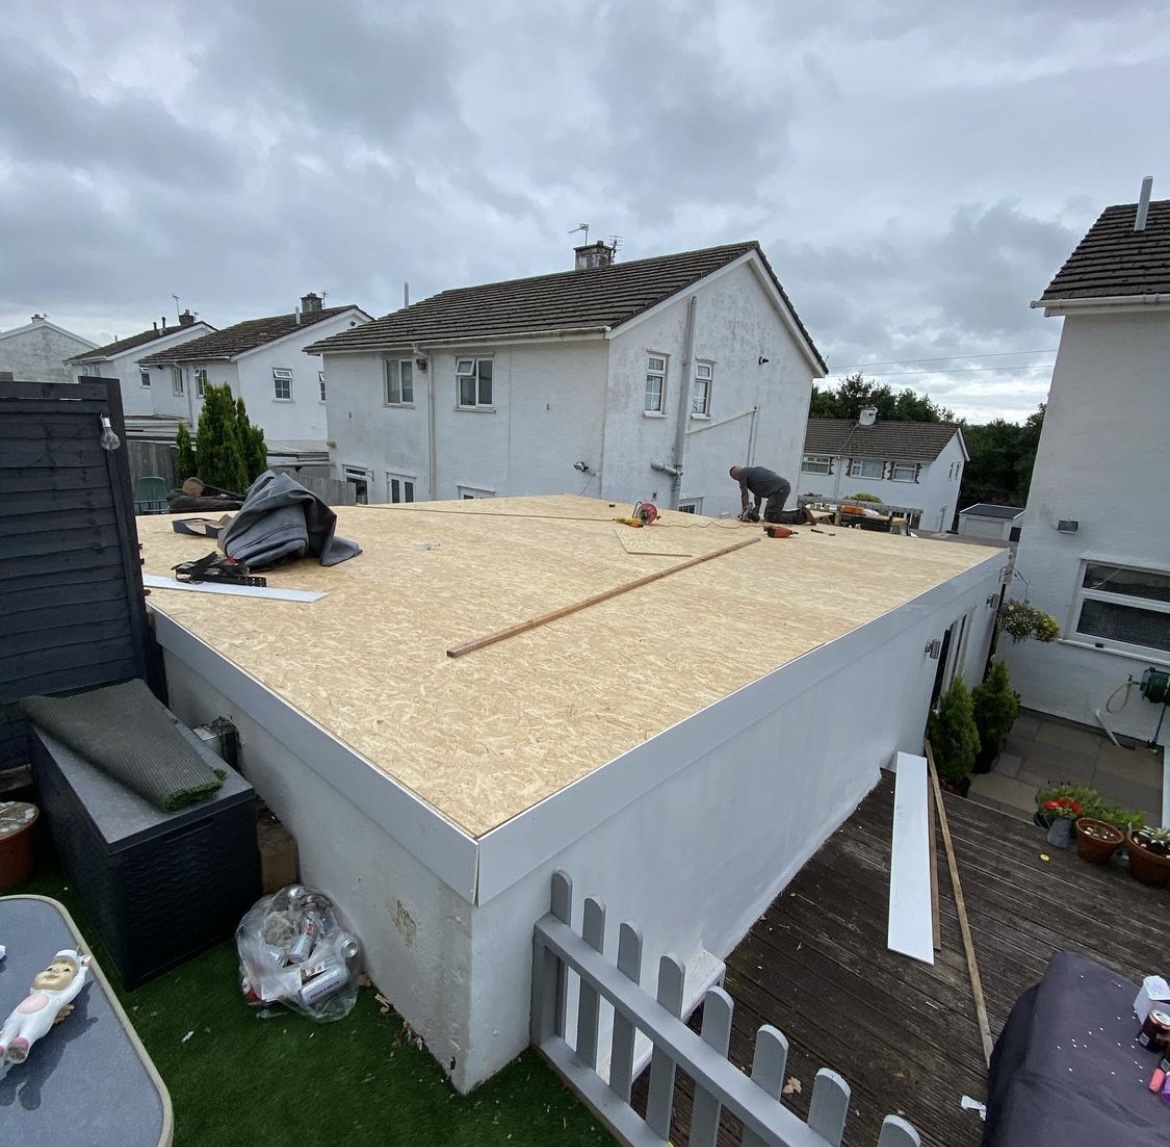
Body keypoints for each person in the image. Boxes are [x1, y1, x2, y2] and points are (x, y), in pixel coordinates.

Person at [0, 949, 90, 1065]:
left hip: (39, 1017)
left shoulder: (58, 998)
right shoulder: (35, 991)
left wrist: (82, 971)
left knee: (31, 1027)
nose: (54, 972)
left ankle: (23, 1043)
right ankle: (3, 1045)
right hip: (17, 1016)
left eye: (66, 970)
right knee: (10, 1027)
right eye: (50, 969)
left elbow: (75, 987)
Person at [729, 465, 805, 524]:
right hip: (782, 488)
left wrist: (745, 511)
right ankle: (799, 513)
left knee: (771, 516)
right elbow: (757, 494)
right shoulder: (753, 472)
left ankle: (803, 516)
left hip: (778, 490)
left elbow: (744, 495)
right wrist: (757, 509)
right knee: (772, 513)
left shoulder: (742, 474)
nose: (738, 480)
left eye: (736, 478)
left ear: (736, 476)